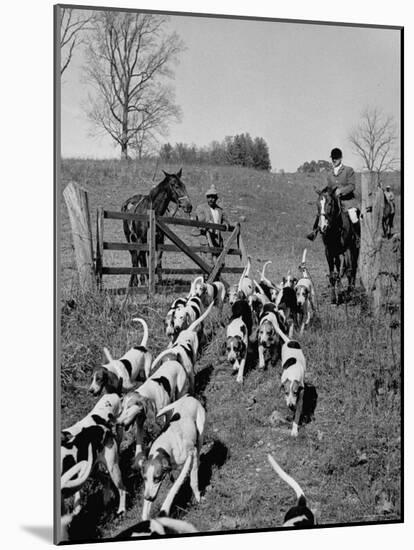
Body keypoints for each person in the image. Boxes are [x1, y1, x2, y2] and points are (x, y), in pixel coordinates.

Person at [306, 147, 360, 244]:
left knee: (353, 215)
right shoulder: (330, 174)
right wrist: (323, 192)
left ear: (341, 158)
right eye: (333, 158)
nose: (334, 160)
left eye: (336, 158)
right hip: (333, 202)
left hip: (347, 201)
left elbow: (352, 186)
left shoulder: (348, 170)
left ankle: (358, 237)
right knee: (322, 212)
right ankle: (314, 232)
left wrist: (341, 191)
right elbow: (329, 188)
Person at [192, 184, 230, 264]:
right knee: (208, 263)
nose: (211, 199)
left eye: (213, 197)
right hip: (206, 240)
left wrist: (226, 224)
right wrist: (207, 222)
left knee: (220, 263)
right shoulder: (201, 208)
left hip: (217, 240)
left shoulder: (219, 210)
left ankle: (217, 276)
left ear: (216, 198)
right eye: (209, 197)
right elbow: (200, 220)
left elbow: (226, 220)